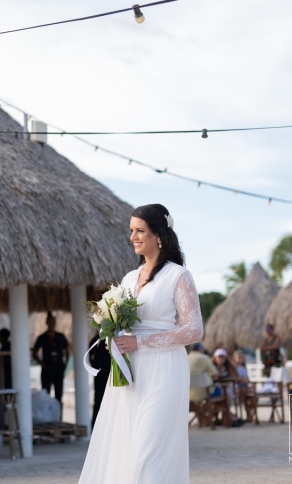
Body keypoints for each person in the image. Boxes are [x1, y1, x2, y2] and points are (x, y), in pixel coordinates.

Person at [79, 204, 203, 483]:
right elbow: (121, 322)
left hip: (164, 371)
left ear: (158, 235)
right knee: (125, 448)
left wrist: (140, 342)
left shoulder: (178, 276)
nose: (133, 236)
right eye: (131, 231)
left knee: (147, 455)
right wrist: (114, 335)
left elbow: (194, 331)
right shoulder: (128, 279)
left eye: (140, 231)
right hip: (130, 371)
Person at [88, 334, 111, 428]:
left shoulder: (113, 337)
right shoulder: (96, 339)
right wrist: (94, 367)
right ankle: (95, 426)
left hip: (111, 374)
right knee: (98, 400)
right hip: (100, 374)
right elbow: (89, 353)